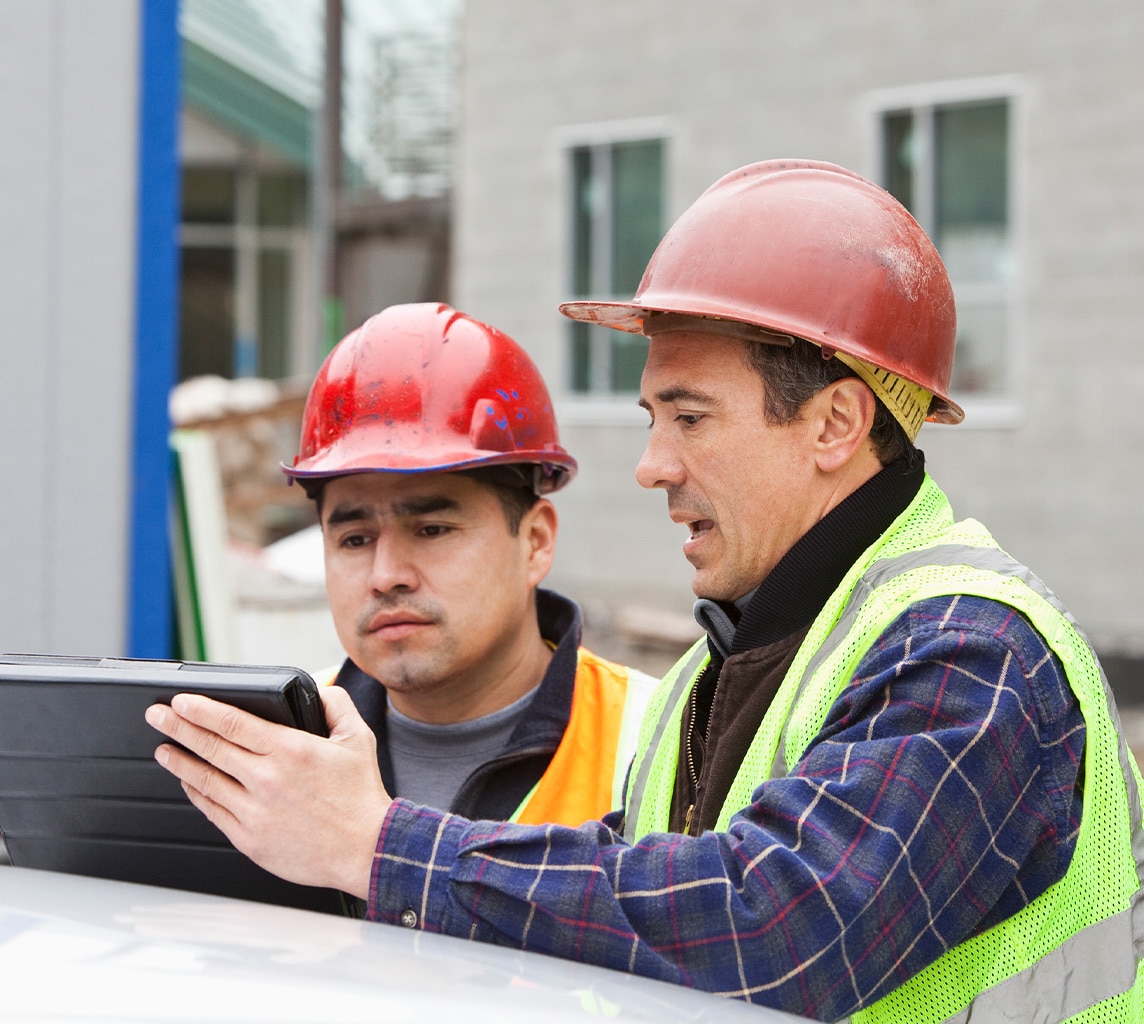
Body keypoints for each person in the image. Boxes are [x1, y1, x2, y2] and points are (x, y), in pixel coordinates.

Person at [146, 162, 1144, 1022]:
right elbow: (634, 904)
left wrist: (379, 846)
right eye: (650, 417)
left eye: (690, 417)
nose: (651, 465)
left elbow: (779, 927)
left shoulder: (974, 652)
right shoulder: (736, 665)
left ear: (836, 423)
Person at [280, 301, 657, 825]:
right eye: (355, 539)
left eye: (432, 530)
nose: (387, 575)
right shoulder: (286, 740)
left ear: (536, 541)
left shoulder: (656, 741)